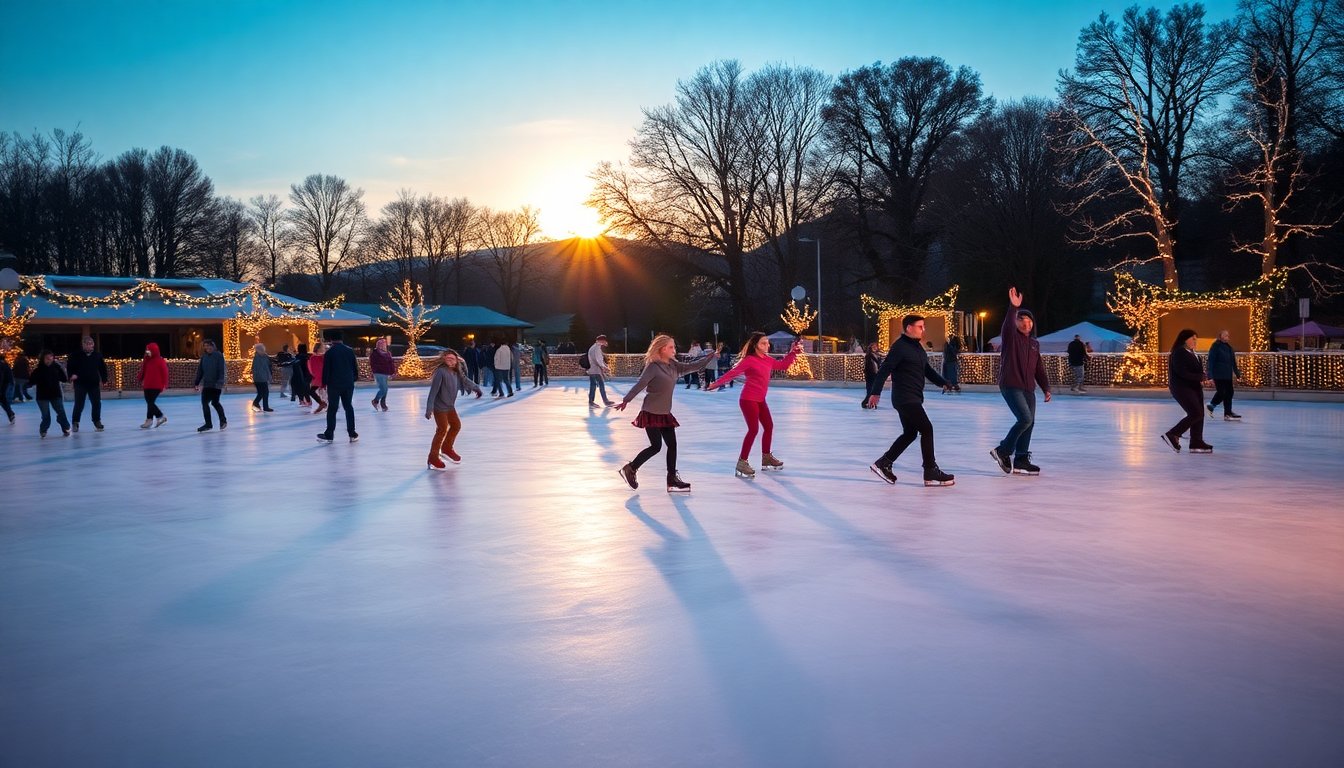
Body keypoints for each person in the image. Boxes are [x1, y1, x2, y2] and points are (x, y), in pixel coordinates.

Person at [614, 334, 716, 493]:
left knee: (672, 445)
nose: (674, 350)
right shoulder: (653, 367)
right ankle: (631, 468)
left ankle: (671, 479)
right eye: (671, 347)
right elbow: (640, 384)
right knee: (656, 447)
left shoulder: (674, 365)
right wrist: (626, 400)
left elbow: (693, 366)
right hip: (651, 411)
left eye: (674, 347)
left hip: (665, 412)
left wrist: (709, 357)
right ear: (662, 349)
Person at [865, 315, 956, 486]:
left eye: (923, 326)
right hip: (904, 398)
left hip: (913, 397)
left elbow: (927, 370)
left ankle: (884, 463)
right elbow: (884, 370)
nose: (923, 330)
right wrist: (875, 393)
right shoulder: (899, 347)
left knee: (910, 433)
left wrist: (943, 383)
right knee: (927, 429)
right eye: (920, 326)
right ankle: (930, 470)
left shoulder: (917, 348)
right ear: (908, 328)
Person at [706, 332, 800, 478]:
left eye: (767, 343)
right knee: (753, 429)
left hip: (760, 400)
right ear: (755, 345)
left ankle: (766, 457)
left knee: (769, 426)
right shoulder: (749, 360)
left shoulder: (768, 360)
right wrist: (716, 384)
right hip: (748, 399)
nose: (767, 345)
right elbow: (733, 373)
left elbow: (783, 366)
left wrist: (793, 353)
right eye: (763, 343)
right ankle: (742, 462)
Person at [990, 287, 1052, 475]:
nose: (1026, 324)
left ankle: (1021, 459)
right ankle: (1002, 450)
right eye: (1021, 320)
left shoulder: (1034, 343)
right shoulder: (1011, 338)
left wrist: (1046, 387)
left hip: (1028, 388)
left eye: (1028, 321)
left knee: (1030, 422)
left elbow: (1038, 368)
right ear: (1016, 323)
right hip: (1010, 385)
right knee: (1024, 418)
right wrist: (1013, 308)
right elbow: (1007, 326)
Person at [425, 348, 483, 470]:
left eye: (452, 359)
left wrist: (476, 388)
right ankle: (433, 457)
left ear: (456, 360)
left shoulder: (456, 372)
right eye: (447, 359)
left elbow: (465, 380)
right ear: (444, 360)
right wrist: (429, 408)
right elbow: (433, 391)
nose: (450, 361)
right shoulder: (441, 372)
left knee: (456, 425)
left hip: (450, 406)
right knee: (441, 430)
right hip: (439, 407)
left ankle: (446, 448)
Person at [1162, 329, 1214, 454]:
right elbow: (1181, 372)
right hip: (1182, 388)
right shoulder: (1179, 352)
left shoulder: (1193, 353)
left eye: (1196, 339)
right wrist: (1201, 377)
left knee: (1199, 413)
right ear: (1184, 339)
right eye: (1193, 338)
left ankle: (1196, 442)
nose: (1195, 341)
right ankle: (1173, 434)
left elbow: (1197, 372)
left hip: (1194, 387)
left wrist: (1205, 379)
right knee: (1196, 413)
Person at [316, 329, 359, 444]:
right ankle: (352, 433)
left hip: (334, 384)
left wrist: (324, 383)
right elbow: (355, 367)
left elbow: (327, 370)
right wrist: (353, 378)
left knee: (332, 408)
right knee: (348, 407)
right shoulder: (349, 351)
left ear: (331, 340)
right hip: (348, 383)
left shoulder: (330, 353)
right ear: (341, 339)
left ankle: (329, 434)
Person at [66, 335, 108, 432]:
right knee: (79, 404)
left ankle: (97, 421)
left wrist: (104, 379)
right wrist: (71, 375)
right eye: (87, 344)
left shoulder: (97, 355)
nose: (89, 346)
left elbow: (102, 368)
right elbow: (70, 367)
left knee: (96, 403)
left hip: (93, 383)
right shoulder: (75, 355)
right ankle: (75, 422)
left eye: (91, 344)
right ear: (83, 345)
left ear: (93, 344)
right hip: (80, 383)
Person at [30, 349, 70, 438]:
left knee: (61, 412)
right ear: (43, 359)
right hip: (42, 396)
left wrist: (60, 368)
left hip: (55, 394)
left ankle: (65, 427)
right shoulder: (38, 370)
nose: (49, 360)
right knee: (46, 415)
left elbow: (64, 379)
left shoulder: (56, 368)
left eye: (51, 358)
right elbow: (31, 381)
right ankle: (43, 429)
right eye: (47, 358)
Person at [1206, 329, 1243, 420]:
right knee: (1222, 393)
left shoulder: (1229, 348)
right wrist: (1210, 375)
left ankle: (1228, 413)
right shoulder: (1215, 346)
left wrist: (1237, 374)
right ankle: (1211, 405)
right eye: (1225, 335)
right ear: (1220, 336)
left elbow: (1233, 362)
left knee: (1229, 393)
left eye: (1228, 335)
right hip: (1218, 374)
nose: (1227, 337)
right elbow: (1211, 361)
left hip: (1227, 375)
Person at [193, 338, 227, 432]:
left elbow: (221, 370)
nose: (207, 348)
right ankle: (208, 424)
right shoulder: (204, 357)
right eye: (205, 346)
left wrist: (220, 382)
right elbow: (200, 371)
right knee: (204, 404)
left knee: (215, 403)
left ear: (213, 346)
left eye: (209, 346)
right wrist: (197, 382)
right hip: (207, 384)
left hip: (216, 384)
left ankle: (223, 421)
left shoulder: (218, 356)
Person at [136, 342, 169, 428]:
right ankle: (150, 420)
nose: (147, 352)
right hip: (147, 385)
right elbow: (143, 370)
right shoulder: (147, 360)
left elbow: (165, 373)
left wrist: (164, 384)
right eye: (147, 350)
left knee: (150, 403)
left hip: (157, 386)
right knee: (149, 402)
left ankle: (160, 417)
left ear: (154, 351)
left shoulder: (160, 361)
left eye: (149, 351)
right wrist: (140, 377)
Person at [587, 334, 614, 408]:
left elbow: (599, 359)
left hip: (594, 370)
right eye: (605, 341)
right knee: (594, 386)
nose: (606, 342)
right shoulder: (596, 348)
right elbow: (597, 359)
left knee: (598, 385)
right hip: (595, 370)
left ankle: (604, 401)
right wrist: (604, 367)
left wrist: (604, 366)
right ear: (602, 340)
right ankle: (592, 402)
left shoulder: (595, 347)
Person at [369, 337, 396, 411]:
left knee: (385, 389)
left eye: (384, 343)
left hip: (385, 373)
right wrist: (376, 370)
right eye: (381, 343)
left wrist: (392, 372)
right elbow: (372, 364)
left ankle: (383, 404)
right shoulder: (375, 353)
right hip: (379, 373)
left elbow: (391, 363)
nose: (382, 345)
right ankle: (375, 401)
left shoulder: (387, 353)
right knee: (383, 389)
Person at [249, 343, 275, 413]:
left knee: (261, 393)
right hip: (260, 378)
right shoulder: (258, 357)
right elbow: (259, 368)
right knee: (265, 392)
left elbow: (267, 367)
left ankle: (256, 403)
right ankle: (264, 406)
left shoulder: (264, 356)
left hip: (261, 377)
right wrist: (266, 376)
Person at [862, 341, 883, 409]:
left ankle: (872, 403)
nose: (874, 348)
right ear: (870, 348)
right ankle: (865, 403)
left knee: (874, 390)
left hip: (876, 374)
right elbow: (867, 366)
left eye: (875, 346)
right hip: (870, 375)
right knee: (870, 390)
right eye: (873, 346)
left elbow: (879, 364)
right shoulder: (868, 355)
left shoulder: (878, 355)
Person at [291, 343, 313, 408]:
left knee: (300, 387)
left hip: (298, 374)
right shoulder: (308, 356)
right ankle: (308, 401)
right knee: (306, 388)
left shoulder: (297, 357)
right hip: (307, 374)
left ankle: (301, 400)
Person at [307, 342, 327, 414]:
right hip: (318, 377)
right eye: (322, 347)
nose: (324, 348)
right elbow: (311, 367)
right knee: (313, 391)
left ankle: (323, 404)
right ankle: (322, 403)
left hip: (321, 377)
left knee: (318, 391)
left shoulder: (321, 356)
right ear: (319, 348)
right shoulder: (314, 357)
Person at [0, 338, 14, 424]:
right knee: (3, 400)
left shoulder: (2, 365)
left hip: (4, 384)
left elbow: (2, 377)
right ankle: (10, 414)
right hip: (5, 384)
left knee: (3, 399)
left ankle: (10, 414)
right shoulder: (4, 364)